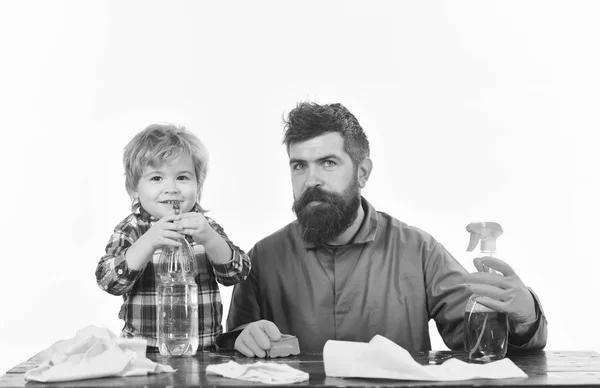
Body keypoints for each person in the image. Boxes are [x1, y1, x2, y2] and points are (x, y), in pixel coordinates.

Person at [217, 102, 547, 357]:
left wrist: (525, 316)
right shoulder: (263, 257)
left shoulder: (418, 250)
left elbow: (480, 342)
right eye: (299, 166)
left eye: (328, 163)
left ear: (362, 172)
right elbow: (232, 351)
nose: (311, 180)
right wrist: (241, 339)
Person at [96, 123, 251, 351]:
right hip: (144, 353)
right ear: (134, 188)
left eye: (182, 177)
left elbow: (237, 274)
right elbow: (108, 281)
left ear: (198, 186)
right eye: (157, 178)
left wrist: (209, 239)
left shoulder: (205, 227)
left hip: (203, 351)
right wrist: (148, 241)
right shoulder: (130, 229)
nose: (171, 188)